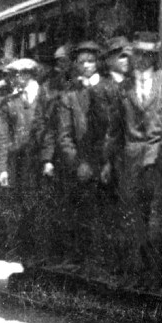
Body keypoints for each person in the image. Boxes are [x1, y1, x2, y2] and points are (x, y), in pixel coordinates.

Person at [105, 32, 162, 279]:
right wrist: (108, 160)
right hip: (131, 157)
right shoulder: (123, 87)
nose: (141, 59)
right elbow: (115, 128)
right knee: (133, 216)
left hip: (158, 156)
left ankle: (159, 272)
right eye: (137, 53)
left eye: (147, 54)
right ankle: (139, 271)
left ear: (154, 57)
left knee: (158, 216)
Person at [56, 42, 109, 266]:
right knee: (85, 212)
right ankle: (87, 259)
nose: (87, 66)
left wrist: (107, 161)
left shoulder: (109, 87)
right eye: (82, 62)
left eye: (91, 61)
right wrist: (78, 163)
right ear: (75, 65)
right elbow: (65, 135)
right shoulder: (70, 95)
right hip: (83, 163)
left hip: (108, 160)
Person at [0, 57, 51, 262]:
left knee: (43, 210)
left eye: (18, 74)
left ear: (29, 74)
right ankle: (28, 262)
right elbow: (2, 138)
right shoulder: (9, 103)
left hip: (43, 161)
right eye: (12, 75)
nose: (13, 78)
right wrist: (2, 168)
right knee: (23, 211)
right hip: (19, 164)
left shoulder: (48, 96)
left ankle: (45, 259)